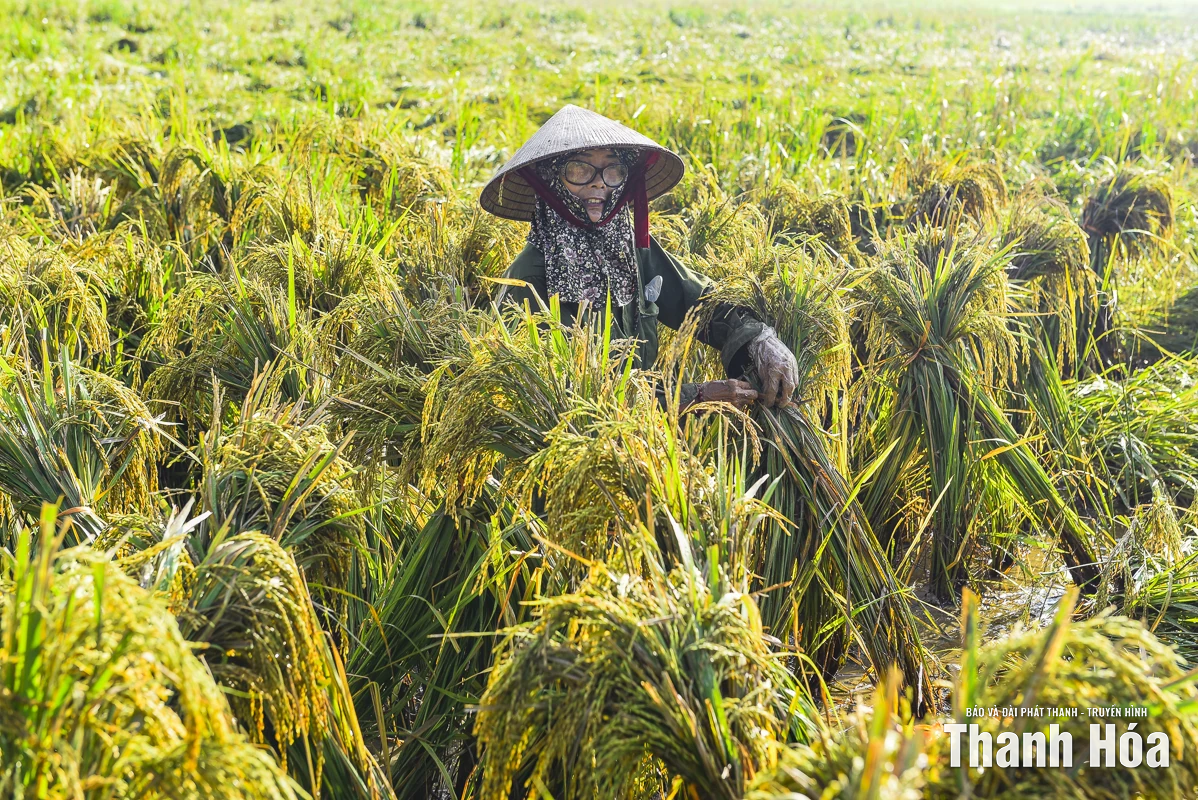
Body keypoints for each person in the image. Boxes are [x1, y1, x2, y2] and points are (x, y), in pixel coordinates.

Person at [479, 104, 798, 410]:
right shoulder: (528, 281)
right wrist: (693, 396)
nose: (599, 182)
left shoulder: (625, 249)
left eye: (613, 170)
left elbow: (699, 300)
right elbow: (564, 397)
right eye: (579, 169)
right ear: (551, 179)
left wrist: (759, 338)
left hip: (643, 442)